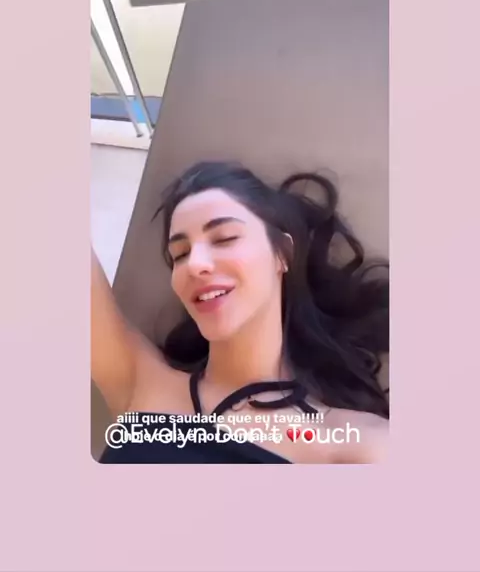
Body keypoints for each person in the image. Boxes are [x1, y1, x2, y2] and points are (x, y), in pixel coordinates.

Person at [92, 161, 389, 464]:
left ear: (283, 254)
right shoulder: (142, 382)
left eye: (224, 238)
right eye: (180, 254)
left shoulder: (358, 443)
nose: (195, 264)